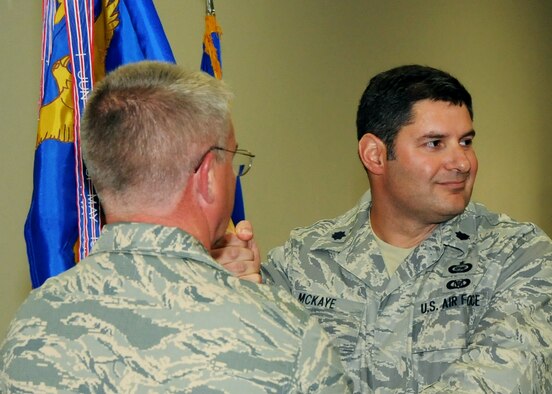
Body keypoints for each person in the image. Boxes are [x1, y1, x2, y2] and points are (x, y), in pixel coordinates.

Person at [0, 61, 352, 393]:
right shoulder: (285, 332)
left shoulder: (34, 322)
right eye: (232, 159)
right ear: (207, 178)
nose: (233, 174)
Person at [214, 65, 552, 393]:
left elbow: (504, 378)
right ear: (375, 155)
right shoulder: (302, 263)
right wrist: (237, 290)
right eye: (435, 143)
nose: (462, 162)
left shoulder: (518, 255)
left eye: (465, 141)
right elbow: (249, 371)